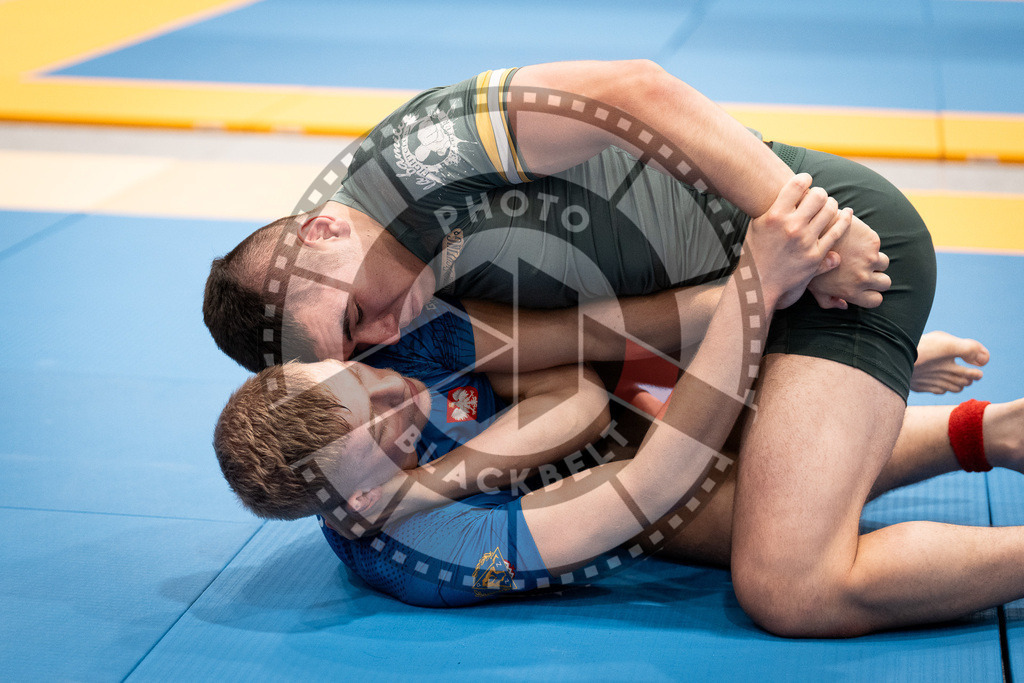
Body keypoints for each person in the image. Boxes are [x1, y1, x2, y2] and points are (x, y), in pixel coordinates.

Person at [204, 60, 986, 636]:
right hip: (685, 361)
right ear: (364, 502)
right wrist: (762, 298)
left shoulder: (408, 224)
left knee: (788, 581)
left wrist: (783, 267)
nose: (387, 361)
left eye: (352, 358)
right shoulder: (426, 547)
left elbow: (592, 351)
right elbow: (636, 477)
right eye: (383, 417)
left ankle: (834, 372)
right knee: (730, 517)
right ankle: (967, 426)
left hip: (807, 243)